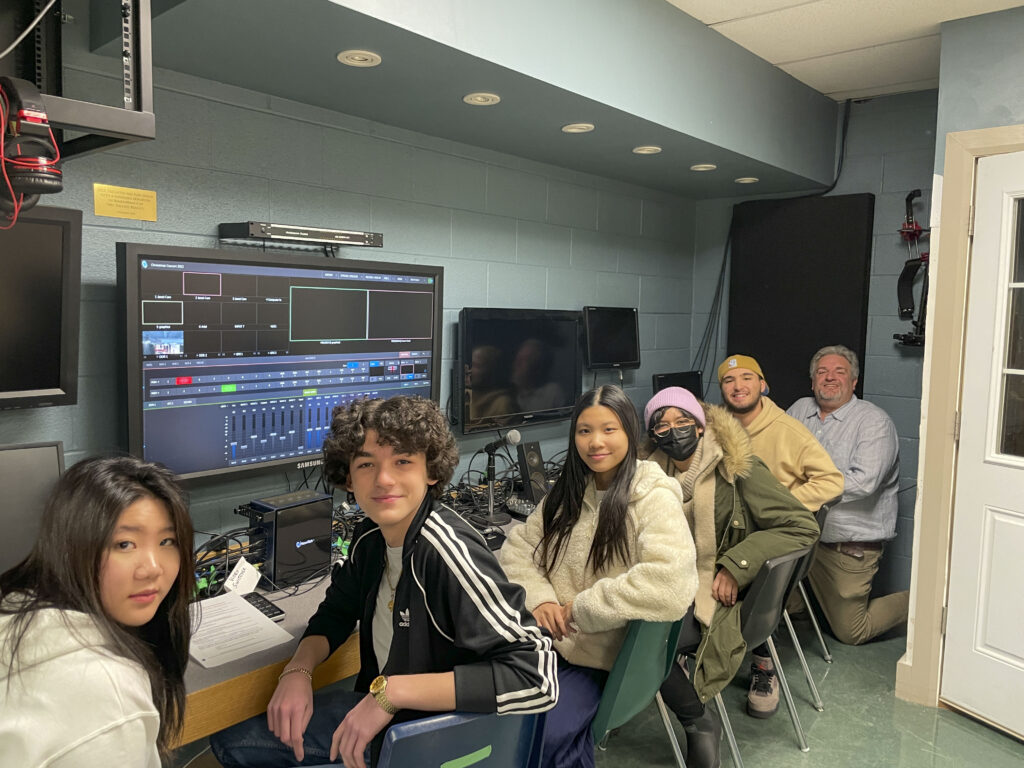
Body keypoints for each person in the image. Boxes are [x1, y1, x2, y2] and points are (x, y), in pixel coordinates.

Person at [211, 395, 556, 768]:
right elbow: (336, 612)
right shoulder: (370, 537)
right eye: (366, 464)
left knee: (233, 744)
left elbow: (537, 676)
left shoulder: (445, 551)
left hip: (434, 737)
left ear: (431, 471)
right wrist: (298, 670)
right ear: (349, 478)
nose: (383, 479)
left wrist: (392, 692)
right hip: (388, 713)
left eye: (402, 461)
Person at [501, 385, 697, 768]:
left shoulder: (653, 495)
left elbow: (671, 582)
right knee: (486, 714)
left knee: (540, 738)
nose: (595, 442)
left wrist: (580, 609)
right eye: (584, 430)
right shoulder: (568, 493)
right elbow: (518, 550)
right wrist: (541, 599)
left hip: (602, 661)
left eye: (609, 429)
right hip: (545, 646)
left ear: (629, 431)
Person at [641, 387, 819, 766]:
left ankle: (698, 721)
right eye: (662, 425)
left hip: (716, 594)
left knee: (645, 645)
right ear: (653, 434)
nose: (673, 431)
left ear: (700, 426)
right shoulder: (647, 476)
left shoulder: (737, 468)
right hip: (667, 582)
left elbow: (802, 526)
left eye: (682, 421)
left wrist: (737, 564)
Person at [0, 455, 195, 767]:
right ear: (71, 548)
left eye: (167, 541)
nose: (152, 568)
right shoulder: (110, 695)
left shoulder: (16, 612)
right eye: (124, 544)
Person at [717, 353, 842, 716]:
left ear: (763, 385)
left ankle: (763, 665)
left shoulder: (788, 430)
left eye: (747, 378)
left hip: (776, 537)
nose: (738, 386)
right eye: (729, 380)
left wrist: (782, 504)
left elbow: (832, 481)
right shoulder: (716, 428)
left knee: (757, 577)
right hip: (729, 531)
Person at [787, 345, 909, 645]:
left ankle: (925, 601)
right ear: (812, 381)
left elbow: (863, 482)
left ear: (854, 382)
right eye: (822, 372)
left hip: (846, 545)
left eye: (839, 372)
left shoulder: (874, 422)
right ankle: (797, 606)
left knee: (852, 632)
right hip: (803, 536)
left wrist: (799, 491)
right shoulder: (800, 410)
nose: (829, 377)